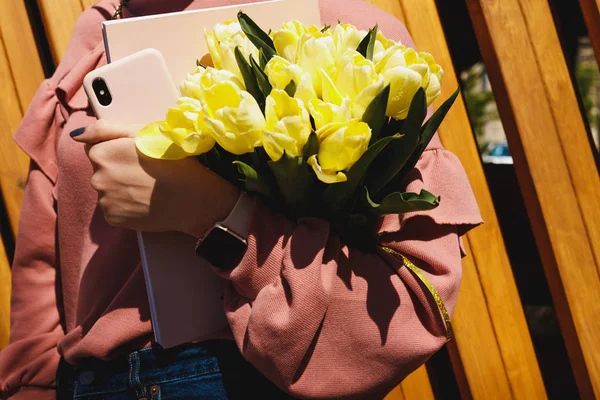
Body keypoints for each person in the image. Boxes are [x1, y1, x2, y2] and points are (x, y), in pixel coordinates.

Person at [0, 0, 482, 399]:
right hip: (88, 383)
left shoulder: (345, 32)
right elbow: (45, 262)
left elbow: (407, 304)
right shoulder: (97, 33)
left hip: (241, 379)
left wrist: (214, 215)